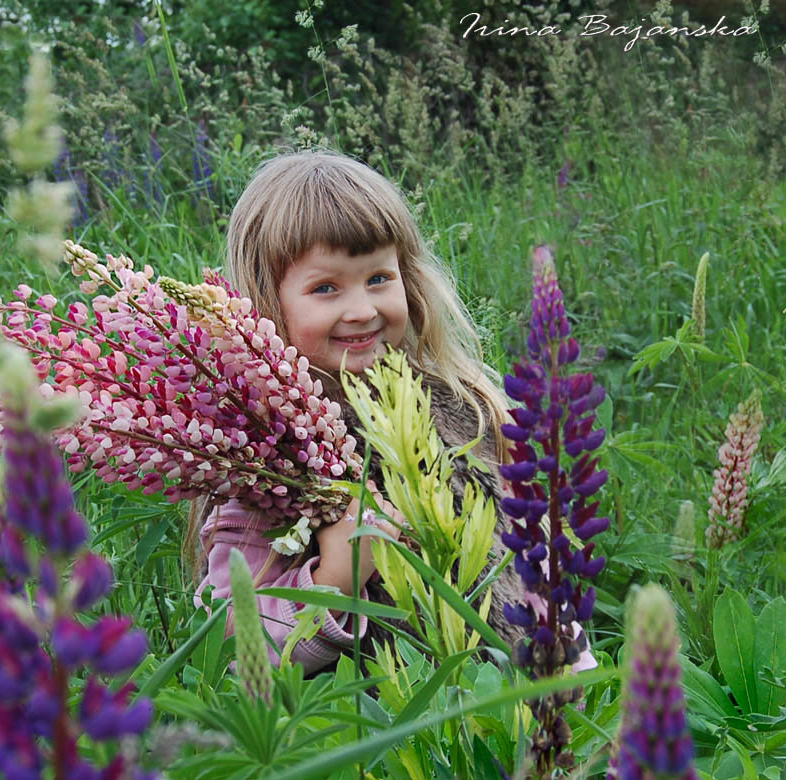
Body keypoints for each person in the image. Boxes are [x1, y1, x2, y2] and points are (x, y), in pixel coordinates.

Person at [185, 150, 587, 675]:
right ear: (266, 304)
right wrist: (336, 577)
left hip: (519, 709)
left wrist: (574, 665)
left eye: (378, 277)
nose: (362, 309)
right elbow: (231, 647)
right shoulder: (262, 453)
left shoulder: (466, 405)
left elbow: (528, 561)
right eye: (325, 288)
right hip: (377, 736)